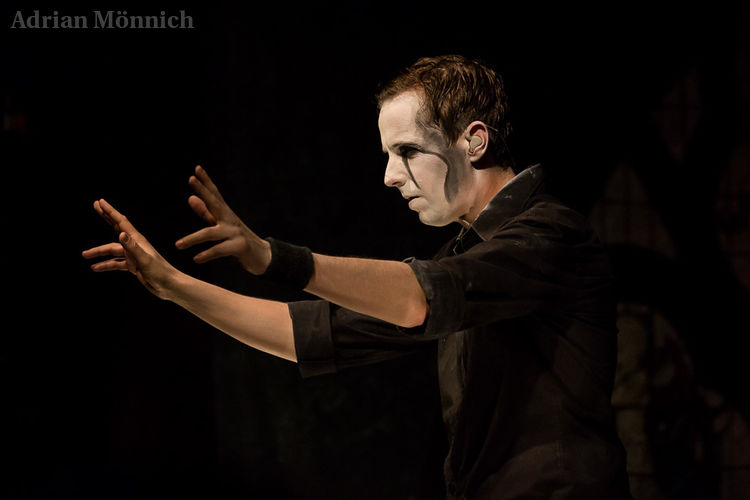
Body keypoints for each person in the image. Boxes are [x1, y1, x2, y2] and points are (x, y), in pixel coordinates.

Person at [83, 55, 632, 499]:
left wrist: (275, 258)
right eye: (388, 154)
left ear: (474, 141)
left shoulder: (551, 235)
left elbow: (422, 296)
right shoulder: (461, 255)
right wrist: (174, 287)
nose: (390, 176)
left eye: (407, 151)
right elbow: (312, 335)